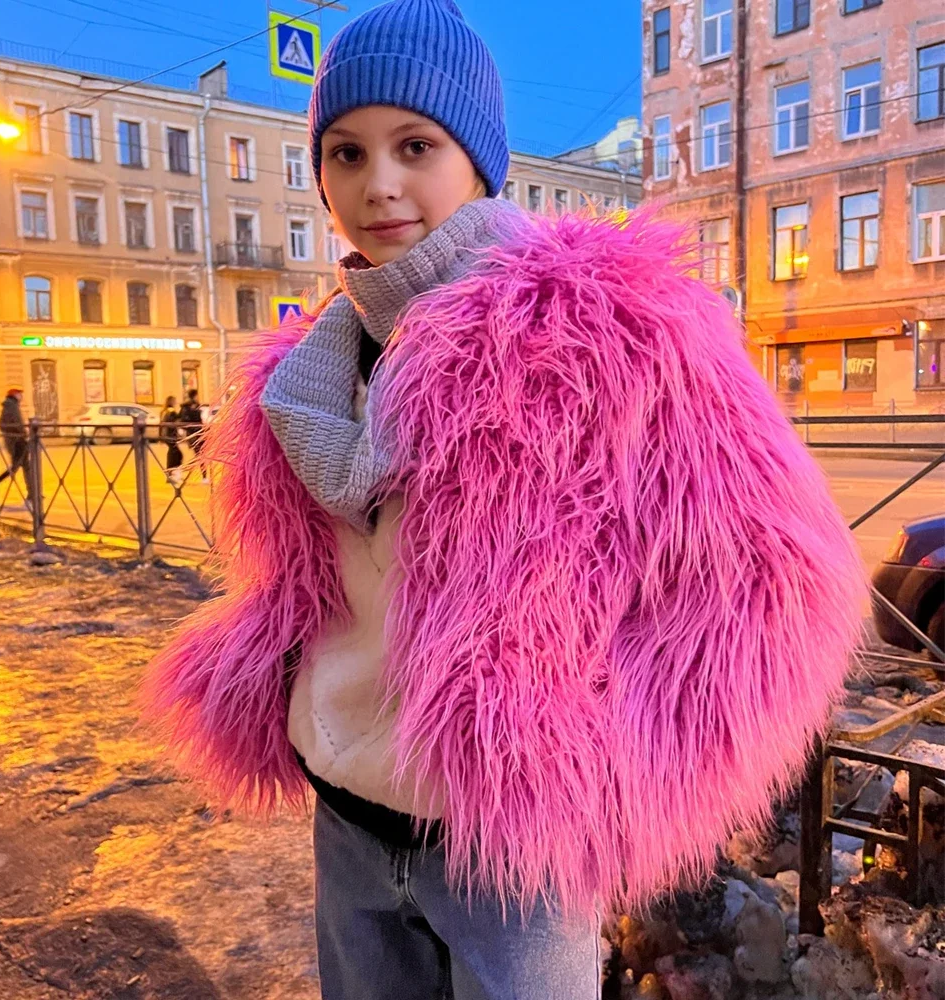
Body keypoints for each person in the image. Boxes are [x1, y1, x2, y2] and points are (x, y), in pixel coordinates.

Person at [144, 2, 867, 997]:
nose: (378, 185)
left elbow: (779, 579)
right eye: (345, 154)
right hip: (350, 816)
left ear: (478, 161)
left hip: (511, 853)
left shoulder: (604, 330)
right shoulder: (315, 368)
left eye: (414, 145)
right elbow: (312, 590)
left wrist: (606, 776)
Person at [0, 387, 36, 510]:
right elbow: (17, 423)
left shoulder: (9, 406)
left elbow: (3, 424)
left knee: (26, 466)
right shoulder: (12, 407)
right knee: (15, 467)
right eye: (19, 394)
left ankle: (32, 493)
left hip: (15, 440)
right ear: (15, 395)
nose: (21, 396)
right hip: (17, 442)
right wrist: (23, 433)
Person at [178, 388, 207, 484]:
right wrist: (193, 430)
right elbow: (184, 421)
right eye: (196, 395)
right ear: (194, 395)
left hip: (200, 434)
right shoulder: (186, 407)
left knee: (201, 456)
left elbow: (199, 420)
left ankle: (203, 476)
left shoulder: (196, 406)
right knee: (200, 456)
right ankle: (184, 470)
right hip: (193, 435)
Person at [159, 395, 183, 486]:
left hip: (166, 436)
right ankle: (173, 475)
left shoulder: (164, 411)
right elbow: (177, 419)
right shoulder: (170, 411)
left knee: (172, 454)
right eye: (174, 401)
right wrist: (182, 409)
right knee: (177, 455)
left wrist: (161, 436)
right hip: (170, 436)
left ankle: (171, 474)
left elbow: (161, 425)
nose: (175, 402)